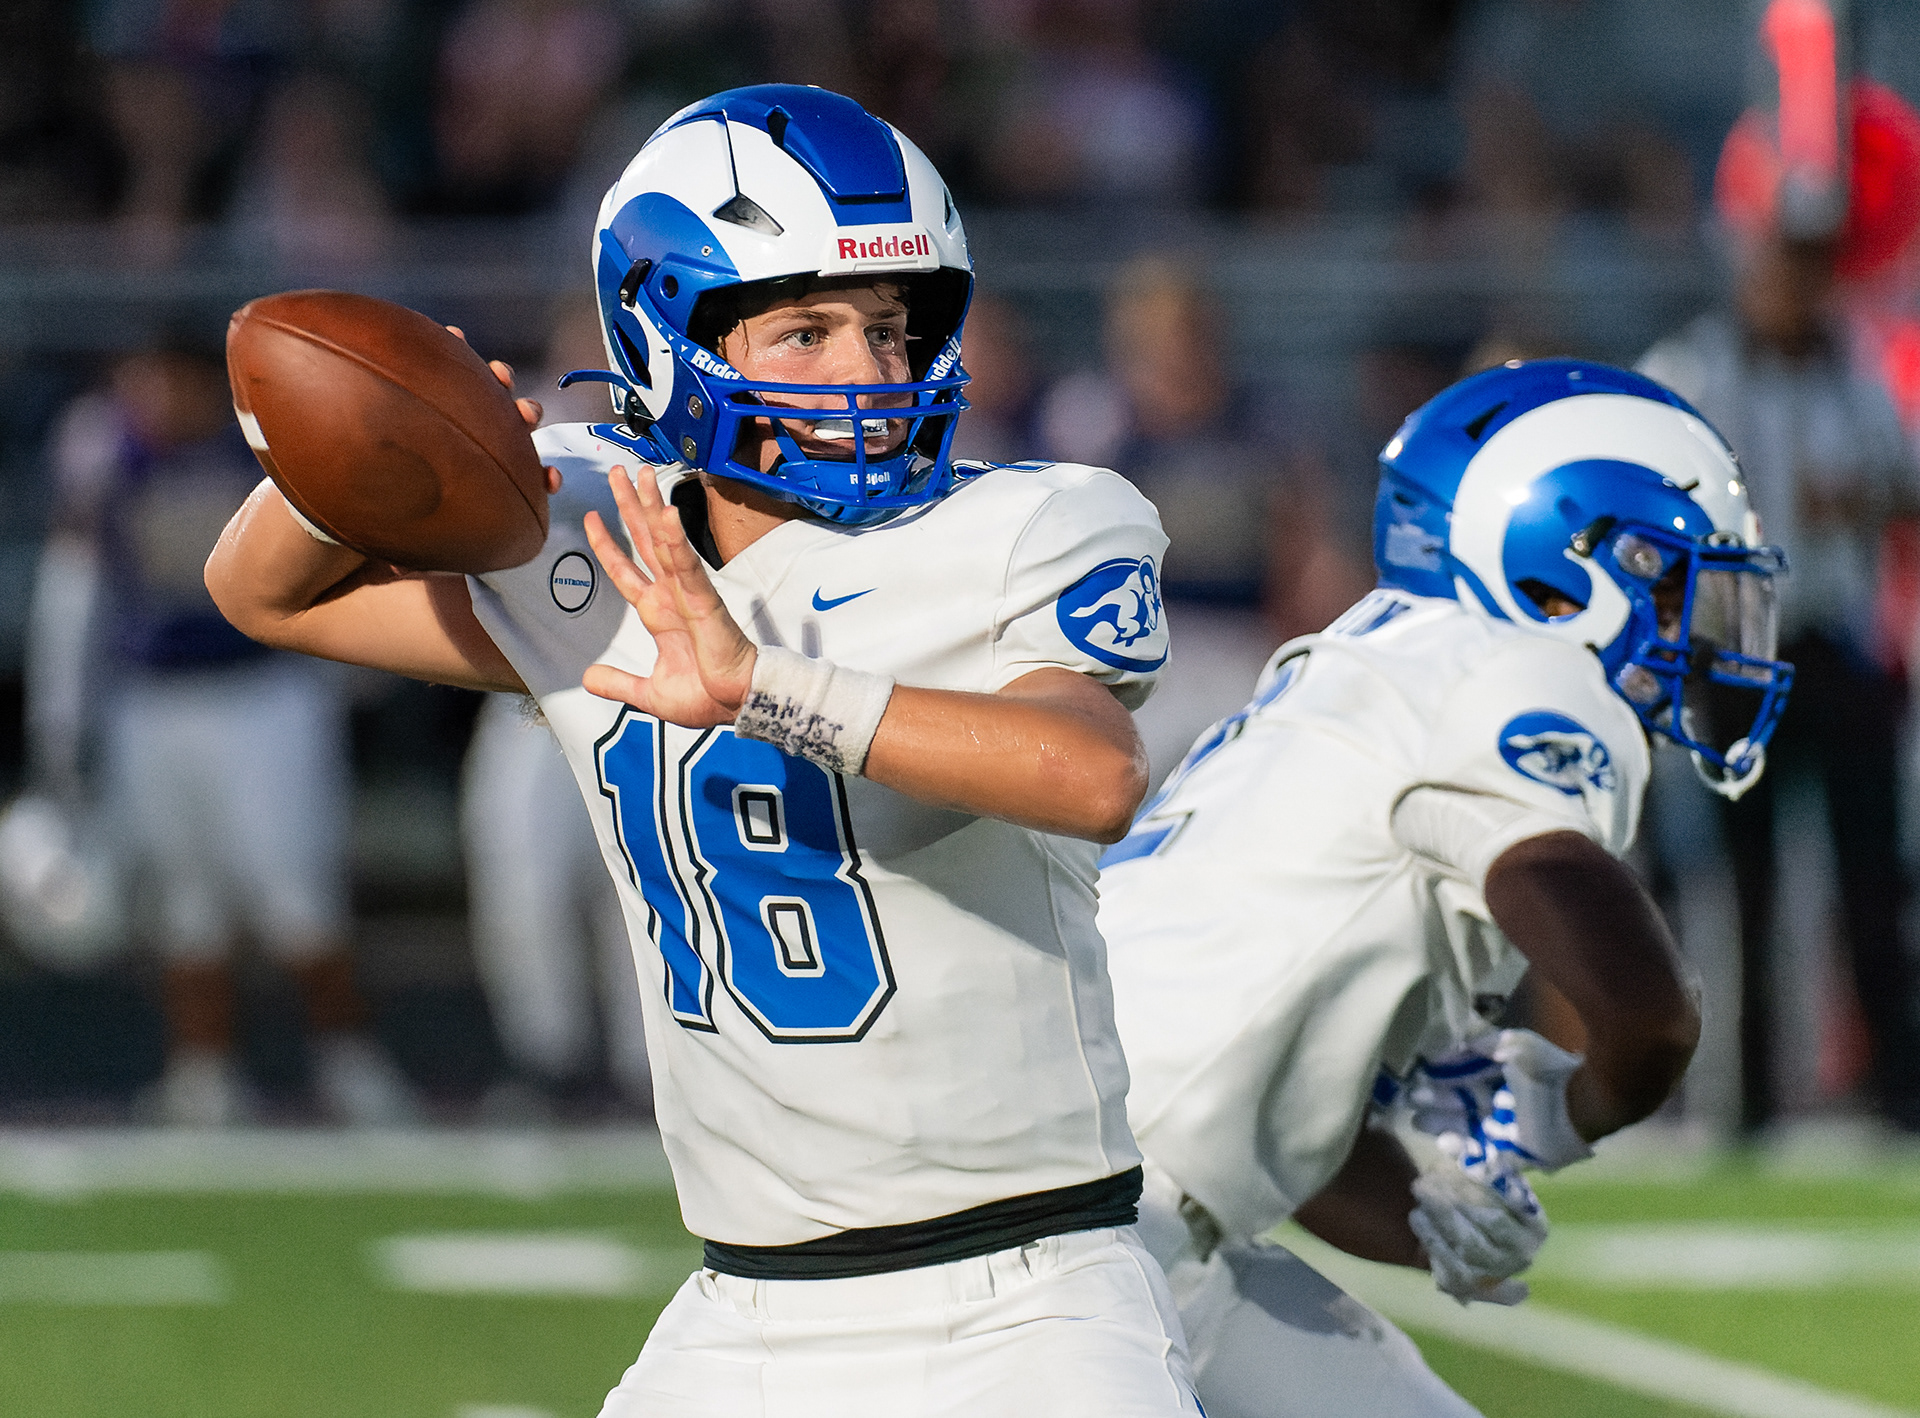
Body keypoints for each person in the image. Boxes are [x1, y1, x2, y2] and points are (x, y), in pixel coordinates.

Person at [207, 85, 1201, 1415]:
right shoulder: (594, 522)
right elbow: (263, 592)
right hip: (744, 1313)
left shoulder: (1034, 523)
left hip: (1026, 1295)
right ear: (666, 336)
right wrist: (378, 435)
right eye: (808, 327)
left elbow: (1094, 775)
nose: (875, 370)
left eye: (894, 326)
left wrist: (764, 686)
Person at [1096, 360, 1792, 1417]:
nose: (1696, 627)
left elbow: (1282, 1139)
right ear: (1561, 574)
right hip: (1082, 1238)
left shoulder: (1379, 664)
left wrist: (1427, 1205)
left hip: (1118, 1198)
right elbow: (1649, 1017)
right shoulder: (1523, 673)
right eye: (1668, 580)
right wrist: (1563, 1106)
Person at [29, 338, 411, 1127]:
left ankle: (351, 1060)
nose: (156, 400)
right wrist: (66, 721)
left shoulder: (266, 444)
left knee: (293, 890)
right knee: (185, 900)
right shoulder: (106, 451)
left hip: (261, 692)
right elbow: (76, 589)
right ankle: (204, 1070)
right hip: (154, 699)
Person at [1637, 79, 1920, 1133]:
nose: (1800, 284)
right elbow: (1638, 498)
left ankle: (1895, 1088)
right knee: (1736, 885)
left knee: (1869, 877)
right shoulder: (1698, 368)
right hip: (1730, 650)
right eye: (1785, 263)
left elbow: (1907, 482)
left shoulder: (1854, 366)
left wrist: (1874, 498)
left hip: (1838, 643)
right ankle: (1745, 1101)